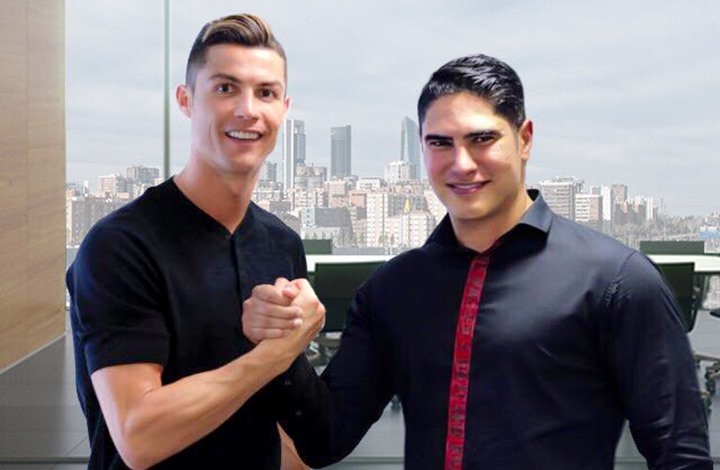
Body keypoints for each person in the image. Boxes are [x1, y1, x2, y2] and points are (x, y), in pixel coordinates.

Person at [243, 54, 713, 469]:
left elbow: (680, 456)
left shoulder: (617, 281)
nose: (461, 164)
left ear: (524, 139)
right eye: (440, 143)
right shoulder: (394, 288)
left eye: (482, 139)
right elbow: (325, 440)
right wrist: (280, 349)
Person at [66, 14, 323, 469]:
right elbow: (139, 436)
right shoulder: (119, 247)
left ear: (285, 108)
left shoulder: (281, 244)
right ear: (186, 100)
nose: (248, 110)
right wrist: (276, 353)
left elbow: (275, 422)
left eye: (265, 93)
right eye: (225, 88)